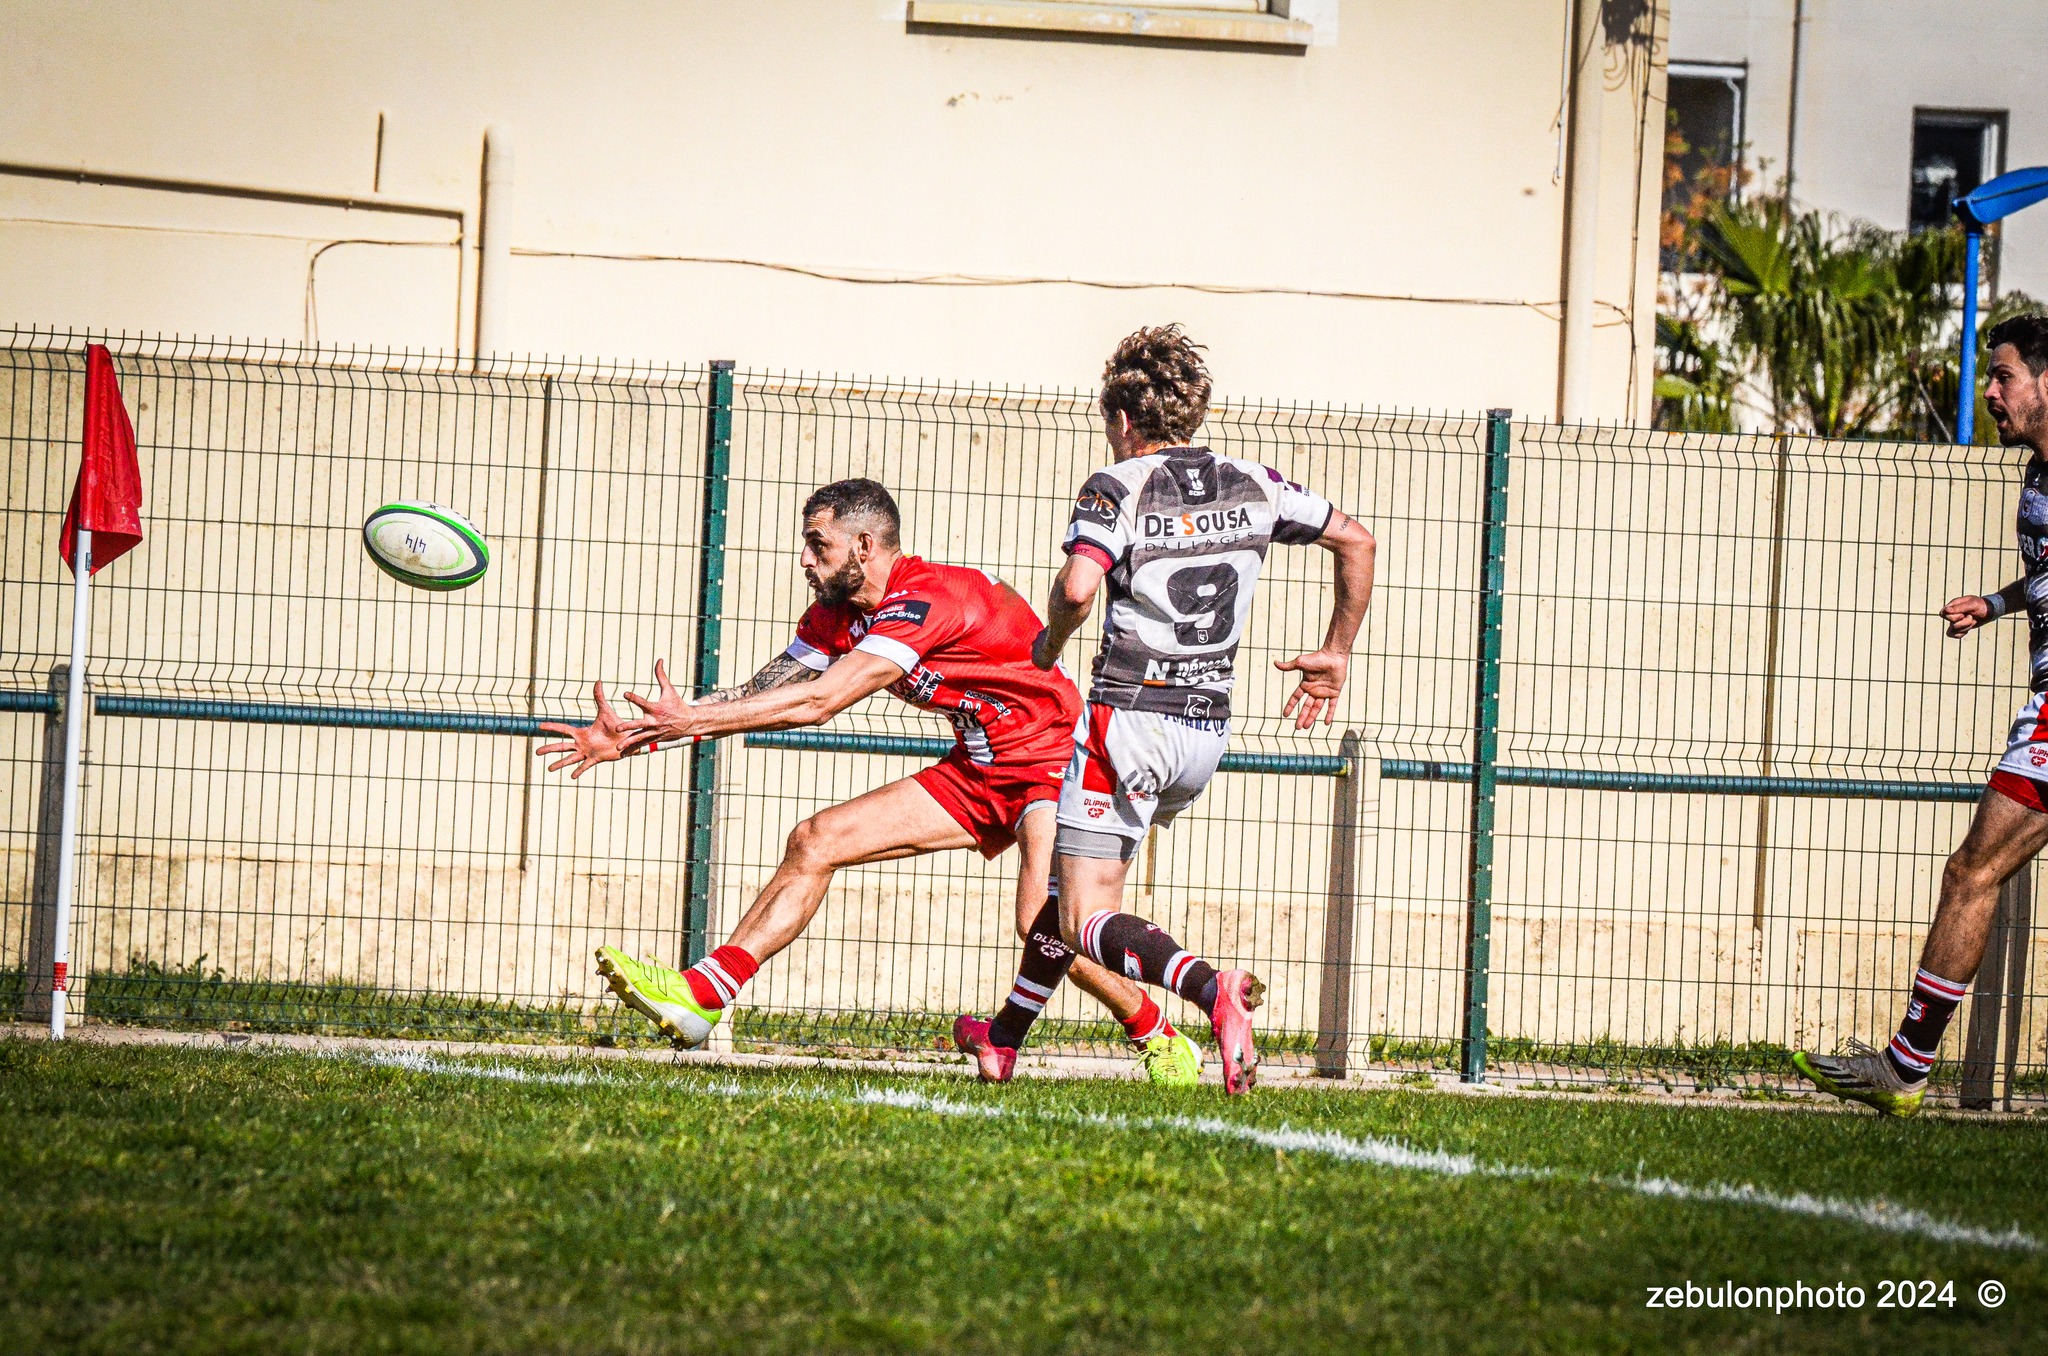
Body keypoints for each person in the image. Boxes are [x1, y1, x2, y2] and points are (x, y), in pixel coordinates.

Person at [535, 477, 1202, 1084]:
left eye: (816, 544)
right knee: (816, 839)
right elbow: (766, 690)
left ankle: (1161, 1034)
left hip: (1055, 758)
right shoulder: (838, 610)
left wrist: (684, 726)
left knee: (1043, 923)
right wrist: (637, 733)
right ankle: (703, 996)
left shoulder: (931, 599)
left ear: (862, 545)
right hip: (979, 766)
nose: (804, 560)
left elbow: (824, 700)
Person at [954, 325, 1378, 1094]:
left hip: (1128, 717)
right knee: (1062, 896)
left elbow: (1079, 587)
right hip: (1205, 728)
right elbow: (1357, 541)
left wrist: (1049, 640)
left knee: (1085, 917)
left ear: (1121, 419)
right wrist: (1335, 651)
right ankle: (1003, 1038)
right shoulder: (1256, 482)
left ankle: (1211, 989)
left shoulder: (1115, 485)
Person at [1796, 313, 2048, 1117]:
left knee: (1973, 871)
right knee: (1973, 871)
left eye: (2004, 375)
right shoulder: (2037, 471)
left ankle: (1904, 1070)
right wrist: (1999, 602)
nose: (1991, 392)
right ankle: (1904, 1067)